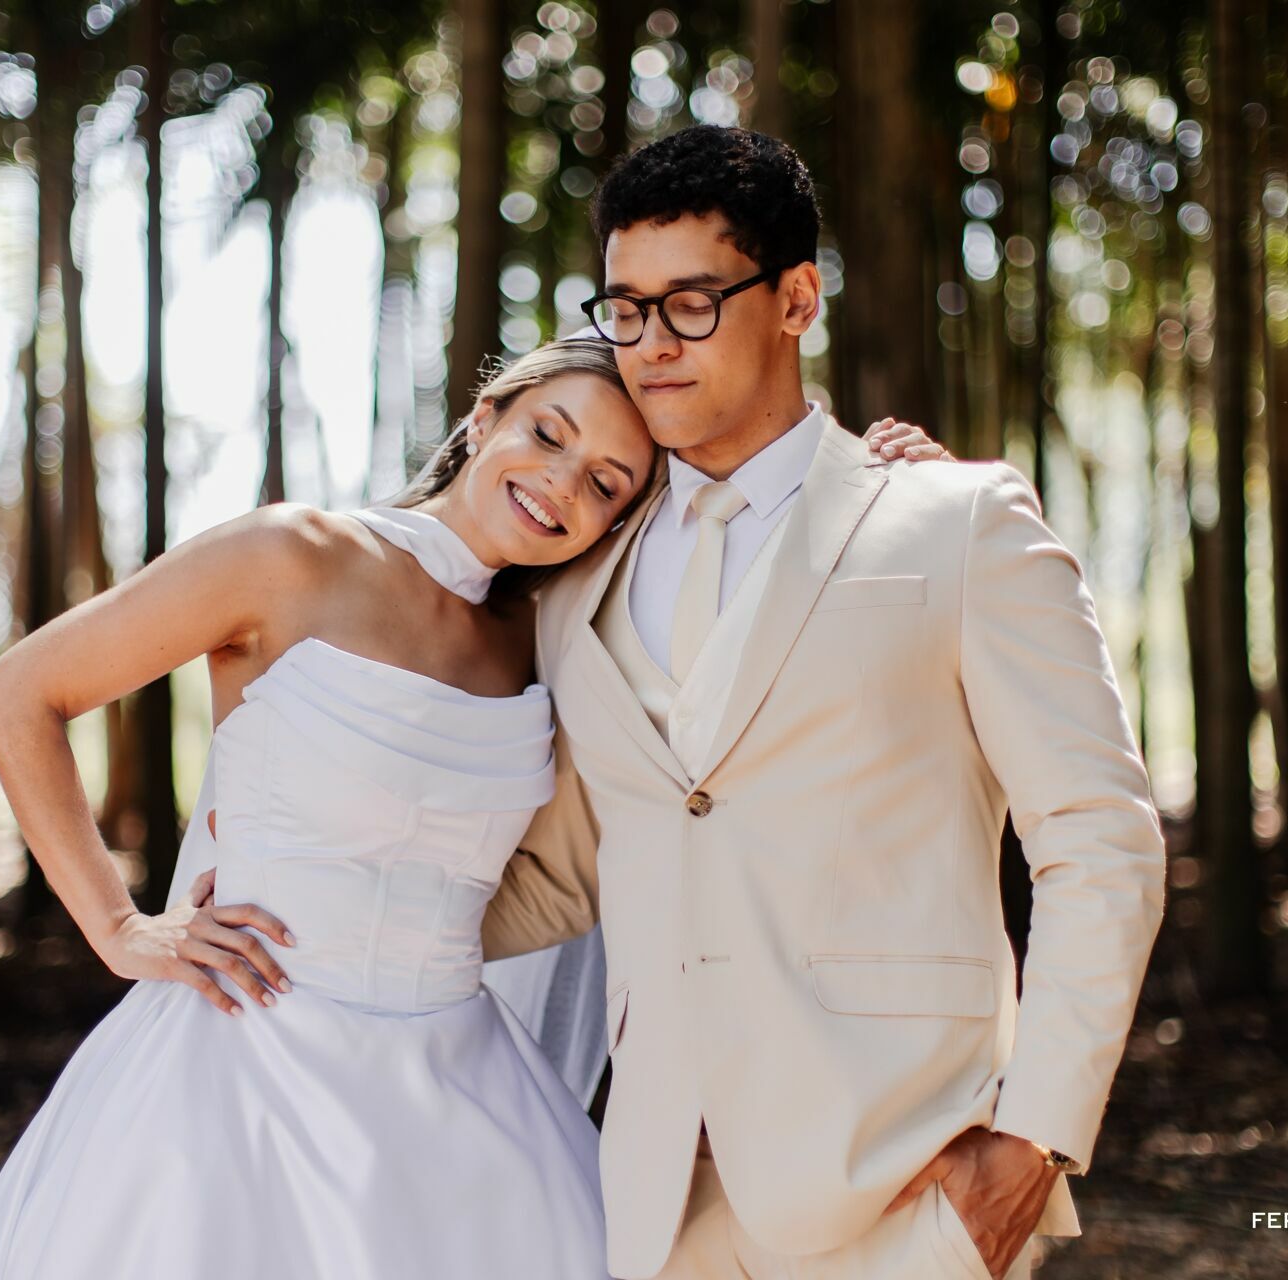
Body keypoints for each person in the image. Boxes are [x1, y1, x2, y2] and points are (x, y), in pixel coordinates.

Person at [0, 335, 941, 1278]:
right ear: (484, 415)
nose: (562, 482)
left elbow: (745, 618)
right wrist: (121, 928)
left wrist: (869, 491)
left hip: (461, 1084)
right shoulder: (288, 556)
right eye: (549, 433)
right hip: (241, 1054)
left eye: (605, 483)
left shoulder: (550, 641)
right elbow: (17, 695)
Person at [480, 125, 1168, 1280]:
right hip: (652, 1201)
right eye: (627, 310)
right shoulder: (577, 575)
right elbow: (567, 869)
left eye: (692, 303)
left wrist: (1036, 1141)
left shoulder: (957, 524)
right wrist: (317, 902)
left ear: (796, 298)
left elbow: (1101, 836)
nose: (652, 345)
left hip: (905, 1192)